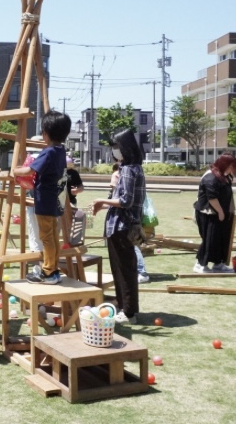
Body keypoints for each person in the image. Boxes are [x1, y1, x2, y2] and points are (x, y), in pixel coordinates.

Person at [92, 128, 146, 324]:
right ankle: (124, 305)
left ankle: (129, 311)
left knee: (125, 270)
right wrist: (103, 203)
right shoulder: (127, 168)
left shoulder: (130, 170)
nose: (114, 151)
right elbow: (120, 198)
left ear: (125, 148)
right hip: (117, 226)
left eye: (116, 147)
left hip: (123, 226)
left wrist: (101, 200)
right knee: (119, 269)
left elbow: (126, 200)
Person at [14, 111, 71, 285]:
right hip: (54, 199)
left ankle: (48, 272)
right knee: (52, 235)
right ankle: (52, 269)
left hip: (45, 200)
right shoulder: (61, 150)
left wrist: (14, 170)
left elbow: (30, 170)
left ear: (45, 133)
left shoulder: (48, 152)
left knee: (46, 237)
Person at [193, 154, 236, 274]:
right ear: (224, 164)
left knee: (221, 239)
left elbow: (227, 195)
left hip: (221, 213)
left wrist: (229, 211)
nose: (232, 169)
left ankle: (218, 264)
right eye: (231, 166)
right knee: (210, 239)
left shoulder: (225, 177)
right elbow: (212, 198)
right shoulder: (210, 177)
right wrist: (220, 212)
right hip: (208, 213)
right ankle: (200, 264)